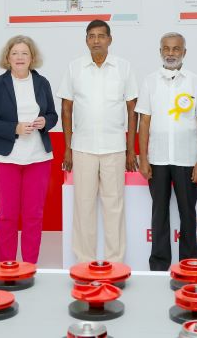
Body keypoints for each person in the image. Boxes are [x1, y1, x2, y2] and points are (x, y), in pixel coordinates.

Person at [58, 19, 138, 263]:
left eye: (101, 36)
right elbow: (66, 108)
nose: (96, 41)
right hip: (82, 148)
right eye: (91, 36)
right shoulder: (74, 68)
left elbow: (132, 110)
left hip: (115, 148)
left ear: (109, 39)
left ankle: (115, 263)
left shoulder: (123, 68)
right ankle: (84, 262)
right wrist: (68, 149)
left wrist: (130, 150)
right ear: (86, 40)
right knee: (84, 207)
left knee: (114, 207)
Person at [136, 32, 197, 271]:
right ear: (160, 52)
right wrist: (143, 159)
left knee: (187, 213)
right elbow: (144, 122)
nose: (171, 53)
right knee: (159, 214)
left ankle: (189, 265)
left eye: (176, 49)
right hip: (157, 160)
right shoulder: (149, 81)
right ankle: (159, 265)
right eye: (166, 49)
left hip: (187, 159)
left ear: (184, 52)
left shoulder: (196, 82)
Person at [0, 35, 57, 264]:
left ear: (32, 57)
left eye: (25, 53)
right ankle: (7, 265)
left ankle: (29, 265)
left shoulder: (42, 82)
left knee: (33, 216)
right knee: (7, 216)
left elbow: (53, 115)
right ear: (7, 57)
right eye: (15, 53)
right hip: (6, 158)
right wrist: (14, 128)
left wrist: (45, 121)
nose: (20, 57)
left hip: (38, 157)